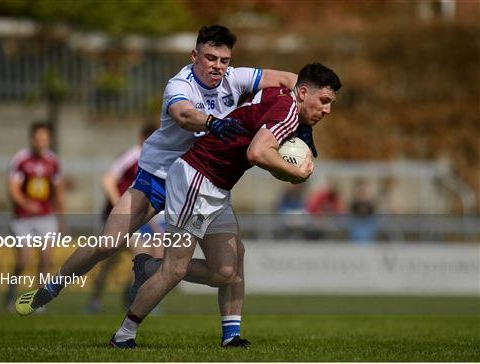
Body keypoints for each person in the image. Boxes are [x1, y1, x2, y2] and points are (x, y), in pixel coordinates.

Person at [15, 25, 298, 347]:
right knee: (109, 243)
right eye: (210, 58)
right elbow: (183, 115)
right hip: (158, 178)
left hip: (201, 178)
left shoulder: (235, 77)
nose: (218, 65)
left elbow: (292, 81)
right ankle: (52, 287)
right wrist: (213, 122)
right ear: (194, 56)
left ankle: (231, 334)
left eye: (224, 59)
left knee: (233, 260)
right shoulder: (180, 84)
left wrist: (299, 123)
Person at [113, 62, 341, 348]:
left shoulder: (282, 97)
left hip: (216, 186)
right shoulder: (287, 111)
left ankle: (230, 334)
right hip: (196, 179)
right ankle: (124, 333)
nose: (327, 110)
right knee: (175, 270)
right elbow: (257, 152)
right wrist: (295, 173)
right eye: (324, 101)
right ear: (304, 92)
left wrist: (299, 139)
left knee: (227, 269)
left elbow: (262, 133)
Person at [86, 124, 164, 313]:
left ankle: (136, 297)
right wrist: (121, 210)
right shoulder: (133, 155)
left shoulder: (158, 160)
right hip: (122, 218)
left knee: (154, 255)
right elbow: (107, 181)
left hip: (140, 218)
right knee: (110, 261)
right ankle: (96, 300)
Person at [4, 122, 65, 309]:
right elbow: (12, 190)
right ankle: (11, 291)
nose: (41, 142)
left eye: (45, 139)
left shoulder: (53, 161)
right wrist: (26, 204)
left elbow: (58, 192)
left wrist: (62, 217)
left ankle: (38, 301)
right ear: (32, 139)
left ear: (49, 140)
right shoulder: (21, 160)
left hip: (46, 216)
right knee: (23, 259)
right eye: (38, 139)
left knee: (46, 258)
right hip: (23, 218)